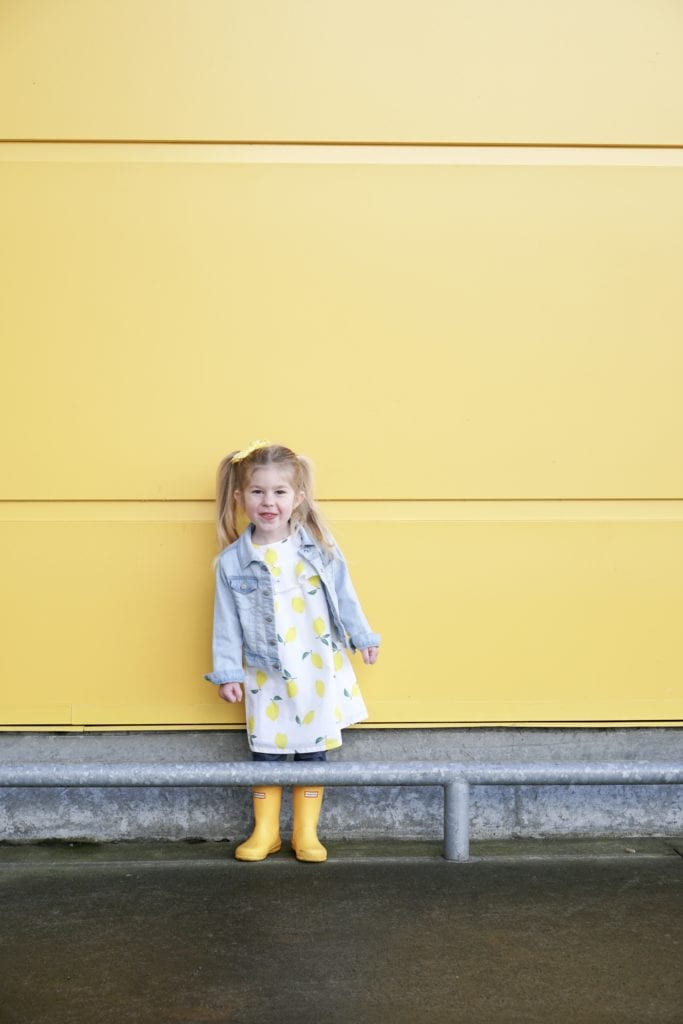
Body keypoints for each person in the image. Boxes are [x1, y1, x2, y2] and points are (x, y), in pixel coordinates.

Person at [204, 440, 380, 862]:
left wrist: (363, 636)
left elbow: (345, 595)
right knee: (265, 745)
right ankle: (266, 831)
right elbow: (225, 622)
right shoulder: (233, 562)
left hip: (316, 662)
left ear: (297, 497)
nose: (269, 502)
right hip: (265, 668)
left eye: (279, 492)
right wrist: (228, 671)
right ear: (240, 497)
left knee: (311, 745)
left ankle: (306, 832)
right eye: (258, 492)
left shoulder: (318, 548)